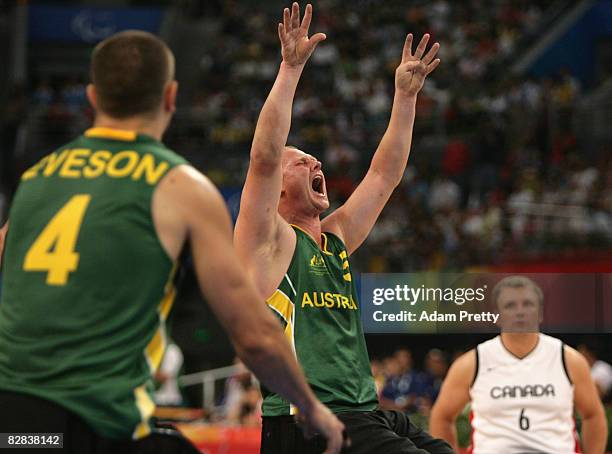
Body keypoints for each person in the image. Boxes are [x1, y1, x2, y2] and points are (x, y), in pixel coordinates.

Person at [0, 30, 345, 454]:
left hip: (18, 429)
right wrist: (311, 407)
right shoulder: (180, 186)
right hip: (100, 422)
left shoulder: (37, 180)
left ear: (91, 97)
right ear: (170, 96)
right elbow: (252, 333)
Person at [234, 3, 450, 453]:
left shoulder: (334, 240)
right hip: (306, 421)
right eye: (301, 162)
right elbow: (265, 156)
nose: (315, 161)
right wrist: (290, 69)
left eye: (314, 158)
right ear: (276, 191)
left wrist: (406, 99)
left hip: (363, 411)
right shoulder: (268, 241)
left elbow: (383, 176)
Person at [429, 276, 608, 454]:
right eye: (510, 305)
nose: (520, 311)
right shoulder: (472, 362)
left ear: (541, 313)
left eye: (528, 304)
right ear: (497, 316)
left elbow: (593, 415)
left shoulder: (569, 359)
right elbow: (442, 417)